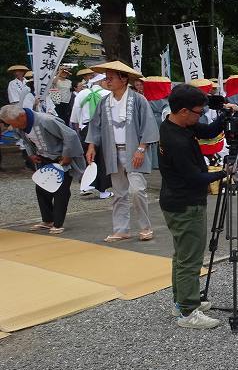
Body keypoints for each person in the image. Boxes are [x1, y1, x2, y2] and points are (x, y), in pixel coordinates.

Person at [158, 84, 234, 329]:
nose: (200, 117)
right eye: (198, 112)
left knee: (181, 256)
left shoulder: (176, 124)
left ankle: (181, 302)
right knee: (190, 258)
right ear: (182, 111)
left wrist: (225, 116)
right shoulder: (176, 140)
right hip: (185, 203)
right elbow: (194, 177)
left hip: (175, 200)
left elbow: (210, 131)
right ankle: (188, 312)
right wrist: (224, 172)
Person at [85, 61, 160, 243]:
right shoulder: (104, 102)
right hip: (113, 151)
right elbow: (95, 126)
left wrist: (142, 148)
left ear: (124, 79)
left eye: (111, 78)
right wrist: (92, 146)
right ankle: (121, 229)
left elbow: (149, 126)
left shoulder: (139, 100)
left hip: (134, 150)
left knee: (137, 191)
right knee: (119, 193)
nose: (107, 82)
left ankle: (145, 227)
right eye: (107, 78)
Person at [0, 103, 85, 234]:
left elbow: (71, 135)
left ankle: (58, 223)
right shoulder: (19, 126)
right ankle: (48, 220)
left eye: (12, 123)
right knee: (41, 188)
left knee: (60, 191)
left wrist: (67, 155)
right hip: (43, 157)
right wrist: (31, 154)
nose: (11, 127)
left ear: (22, 116)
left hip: (61, 159)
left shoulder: (46, 120)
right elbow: (25, 141)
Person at [69, 73, 113, 199]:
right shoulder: (107, 94)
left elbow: (75, 116)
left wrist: (80, 129)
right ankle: (103, 191)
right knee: (102, 159)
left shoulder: (82, 94)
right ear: (102, 82)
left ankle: (85, 186)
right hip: (103, 129)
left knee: (88, 158)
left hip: (85, 128)